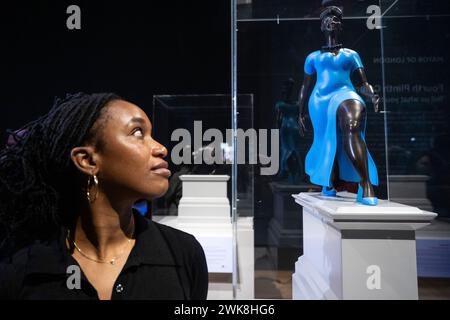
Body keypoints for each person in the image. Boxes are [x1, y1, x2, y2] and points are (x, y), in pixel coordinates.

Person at [0, 92, 208, 299]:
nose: (161, 149)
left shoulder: (183, 254)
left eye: (151, 135)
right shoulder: (23, 270)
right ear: (87, 161)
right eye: (137, 133)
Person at [297, 6, 380, 205]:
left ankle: (365, 183)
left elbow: (363, 82)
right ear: (321, 26)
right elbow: (305, 87)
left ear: (340, 25)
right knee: (326, 139)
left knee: (352, 127)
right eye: (326, 19)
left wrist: (371, 93)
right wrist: (300, 112)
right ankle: (329, 182)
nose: (331, 21)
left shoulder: (351, 55)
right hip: (320, 102)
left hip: (347, 94)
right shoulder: (313, 58)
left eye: (335, 19)